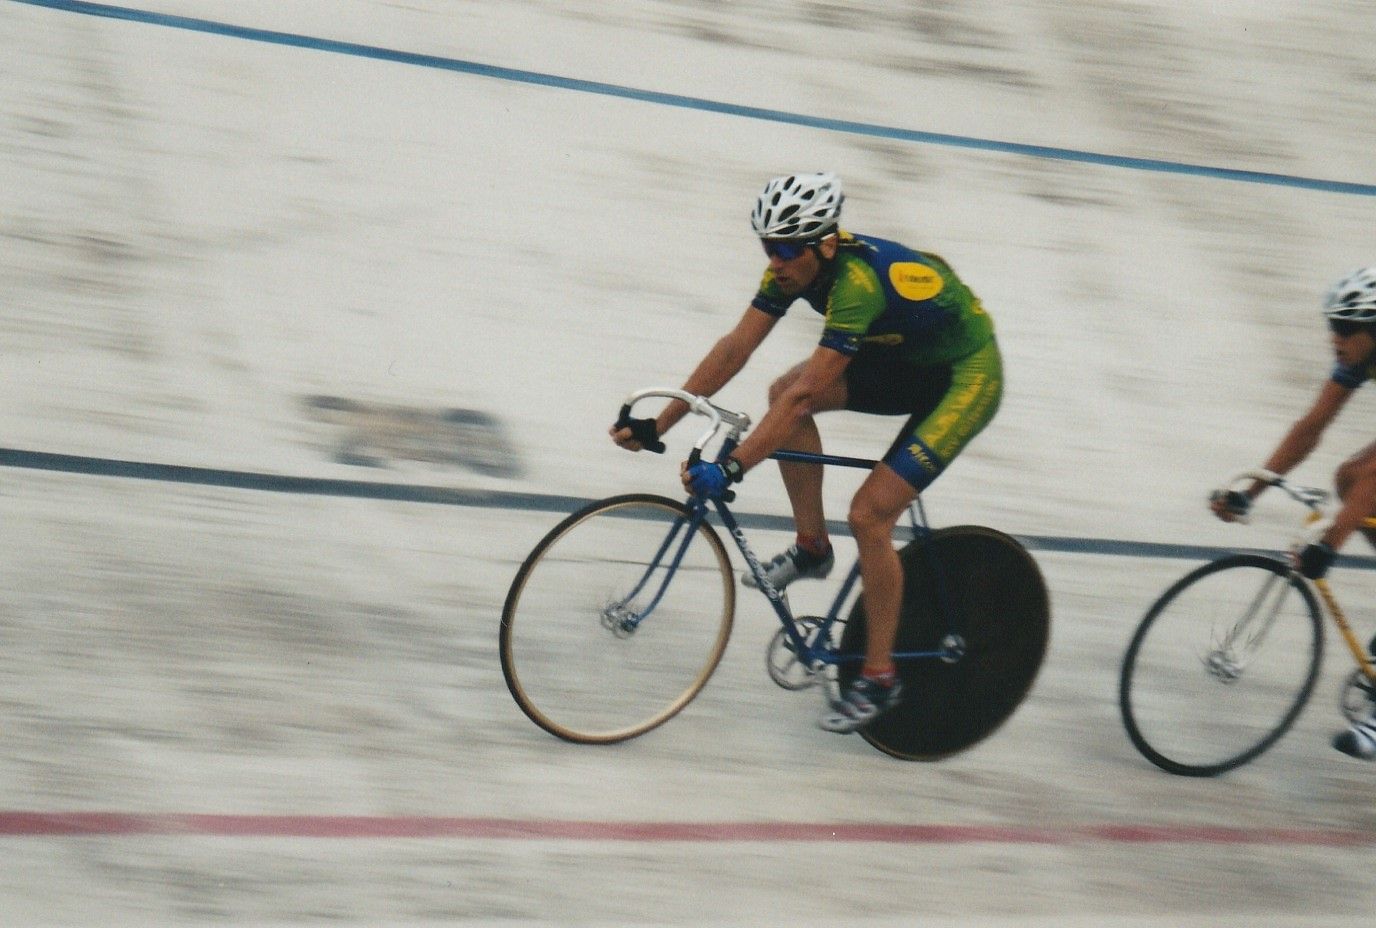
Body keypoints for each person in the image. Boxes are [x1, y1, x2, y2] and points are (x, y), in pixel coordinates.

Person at [610, 172, 1002, 734]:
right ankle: (813, 548)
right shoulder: (791, 271)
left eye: (787, 248)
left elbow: (801, 400)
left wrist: (733, 466)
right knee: (778, 392)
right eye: (768, 247)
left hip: (965, 378)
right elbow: (735, 347)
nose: (776, 260)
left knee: (870, 514)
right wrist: (661, 422)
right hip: (906, 364)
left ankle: (878, 677)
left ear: (822, 243)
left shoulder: (857, 285)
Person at [1209, 265, 1376, 760]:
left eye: (1346, 328)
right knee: (1349, 477)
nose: (1335, 337)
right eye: (1333, 324)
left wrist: (1329, 545)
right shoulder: (1357, 358)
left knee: (1367, 479)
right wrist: (1252, 491)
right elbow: (1311, 427)